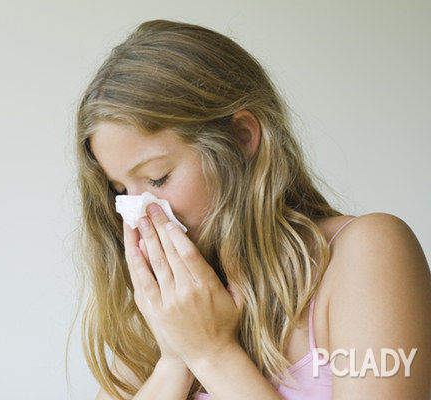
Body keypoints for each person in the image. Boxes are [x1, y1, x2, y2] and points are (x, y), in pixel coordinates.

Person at [68, 19, 431, 400]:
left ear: (242, 138)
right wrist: (175, 360)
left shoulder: (365, 252)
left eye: (158, 178)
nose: (139, 215)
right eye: (121, 191)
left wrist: (212, 353)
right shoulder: (168, 312)